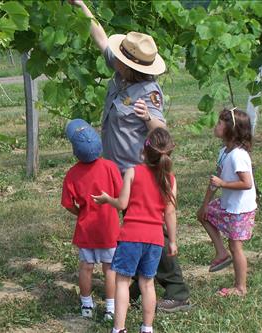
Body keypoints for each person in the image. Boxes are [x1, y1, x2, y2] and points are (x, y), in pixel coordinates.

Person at [68, 0, 191, 312]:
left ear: (134, 67)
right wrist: (82, 6)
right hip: (116, 168)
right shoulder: (121, 74)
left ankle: (176, 290)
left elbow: (161, 131)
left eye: (121, 58)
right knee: (132, 231)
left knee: (148, 230)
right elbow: (99, 36)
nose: (115, 59)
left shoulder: (148, 92)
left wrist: (147, 116)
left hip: (135, 172)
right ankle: (138, 280)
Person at [92, 127, 178, 333]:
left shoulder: (132, 172)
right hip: (155, 239)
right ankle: (147, 328)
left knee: (122, 281)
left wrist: (106, 199)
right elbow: (170, 214)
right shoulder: (171, 179)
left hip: (131, 236)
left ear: (144, 150)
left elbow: (122, 204)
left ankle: (119, 329)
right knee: (147, 284)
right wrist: (172, 241)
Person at [61, 119, 123, 320]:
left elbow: (68, 203)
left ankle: (86, 305)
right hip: (109, 228)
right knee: (109, 269)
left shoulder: (72, 174)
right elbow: (121, 195)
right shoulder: (110, 167)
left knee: (86, 268)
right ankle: (111, 308)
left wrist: (81, 213)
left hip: (86, 229)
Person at [197, 107, 256, 296]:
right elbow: (216, 180)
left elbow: (246, 183)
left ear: (231, 129)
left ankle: (240, 288)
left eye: (220, 123)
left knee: (236, 247)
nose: (216, 126)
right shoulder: (224, 151)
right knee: (203, 215)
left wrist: (223, 183)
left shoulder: (238, 155)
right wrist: (205, 204)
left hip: (240, 209)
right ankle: (221, 253)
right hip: (228, 205)